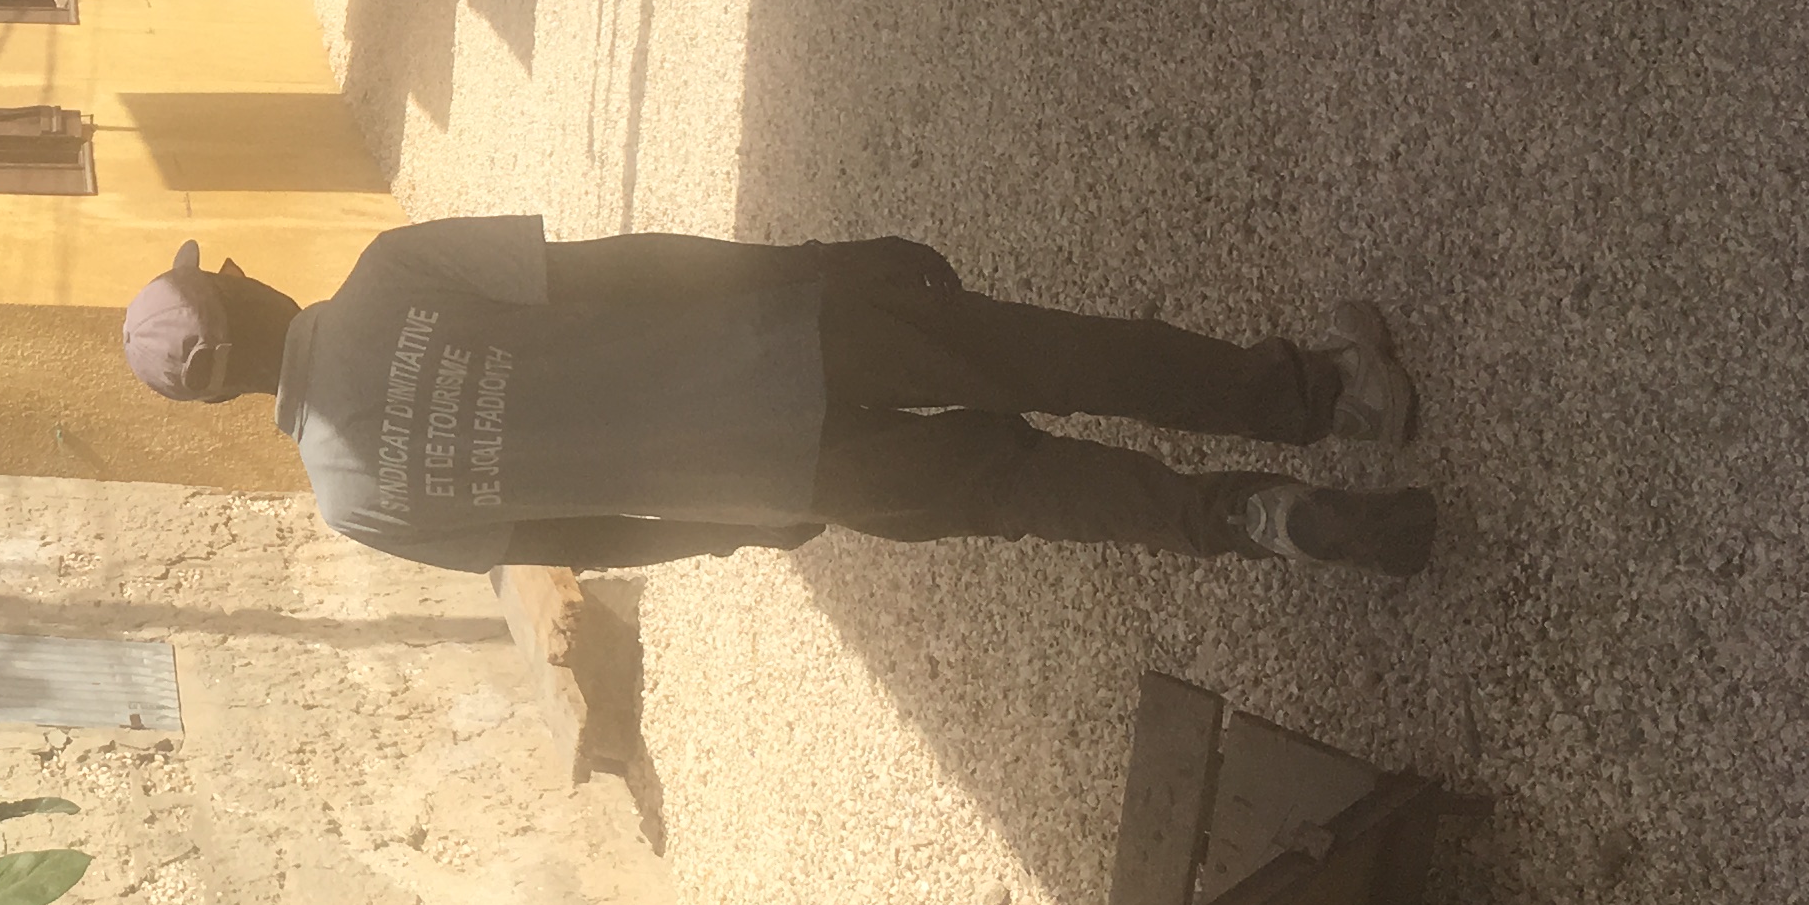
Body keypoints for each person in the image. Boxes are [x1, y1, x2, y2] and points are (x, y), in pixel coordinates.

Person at [119, 222, 1437, 576]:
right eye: (222, 276)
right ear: (240, 301)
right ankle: (1327, 398)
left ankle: (1261, 520)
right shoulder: (392, 273)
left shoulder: (357, 505)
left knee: (1025, 490)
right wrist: (813, 260)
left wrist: (731, 532)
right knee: (1053, 358)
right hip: (795, 341)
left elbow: (573, 543)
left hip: (774, 479)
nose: (234, 267)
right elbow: (623, 267)